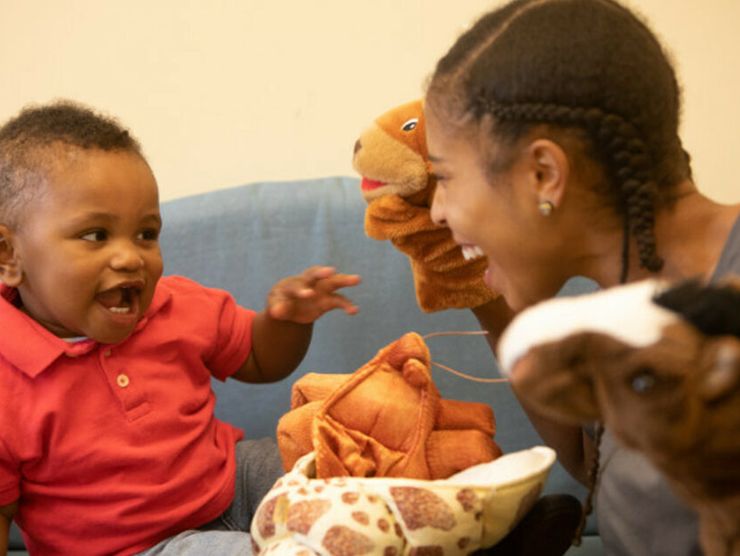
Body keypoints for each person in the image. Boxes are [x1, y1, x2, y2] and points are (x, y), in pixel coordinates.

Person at [424, 0, 739, 554]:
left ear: (543, 174)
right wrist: (484, 294)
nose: (436, 212)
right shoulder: (633, 306)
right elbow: (603, 468)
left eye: (445, 178)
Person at [0, 101, 361, 555]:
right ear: (8, 255)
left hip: (229, 480)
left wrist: (284, 322)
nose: (130, 257)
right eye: (95, 235)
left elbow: (257, 358)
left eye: (146, 234)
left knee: (340, 465)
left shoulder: (175, 304)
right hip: (135, 548)